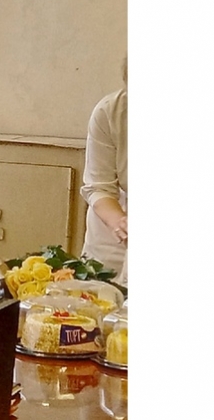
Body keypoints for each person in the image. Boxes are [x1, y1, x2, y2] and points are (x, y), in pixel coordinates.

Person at [81, 56, 128, 285]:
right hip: (113, 227)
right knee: (98, 295)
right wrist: (121, 224)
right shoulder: (110, 112)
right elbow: (99, 187)